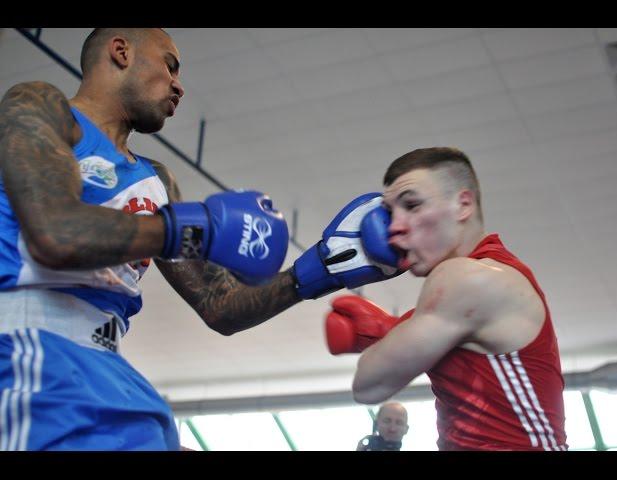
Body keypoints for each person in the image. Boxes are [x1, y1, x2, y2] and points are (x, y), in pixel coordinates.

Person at [0, 28, 400, 451]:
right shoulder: (41, 106)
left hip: (108, 368)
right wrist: (192, 228)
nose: (179, 85)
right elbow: (55, 233)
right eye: (169, 65)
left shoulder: (157, 181)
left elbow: (219, 304)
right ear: (120, 52)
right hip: (31, 350)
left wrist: (320, 268)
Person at [325, 147, 569, 451]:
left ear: (463, 204)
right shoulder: (490, 277)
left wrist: (388, 330)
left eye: (411, 205)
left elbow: (369, 385)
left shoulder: (464, 277)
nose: (393, 228)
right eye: (390, 214)